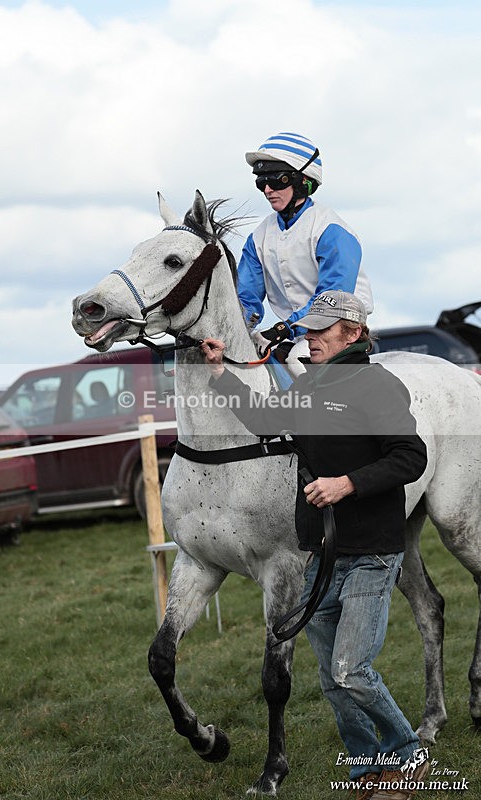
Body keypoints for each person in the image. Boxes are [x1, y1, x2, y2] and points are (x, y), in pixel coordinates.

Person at [201, 290, 429, 800]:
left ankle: (407, 754)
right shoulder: (310, 385)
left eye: (322, 330)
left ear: (353, 333)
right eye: (308, 330)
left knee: (351, 670)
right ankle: (367, 772)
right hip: (322, 553)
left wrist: (347, 483)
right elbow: (263, 419)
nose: (311, 338)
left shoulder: (377, 385)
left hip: (372, 552)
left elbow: (410, 457)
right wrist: (219, 373)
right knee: (331, 678)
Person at [238, 131, 374, 374]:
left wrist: (283, 329)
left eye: (276, 180)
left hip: (338, 329)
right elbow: (246, 300)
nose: (267, 189)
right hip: (293, 333)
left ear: (302, 181)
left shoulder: (331, 231)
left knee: (297, 360)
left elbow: (332, 299)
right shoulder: (257, 238)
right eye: (261, 182)